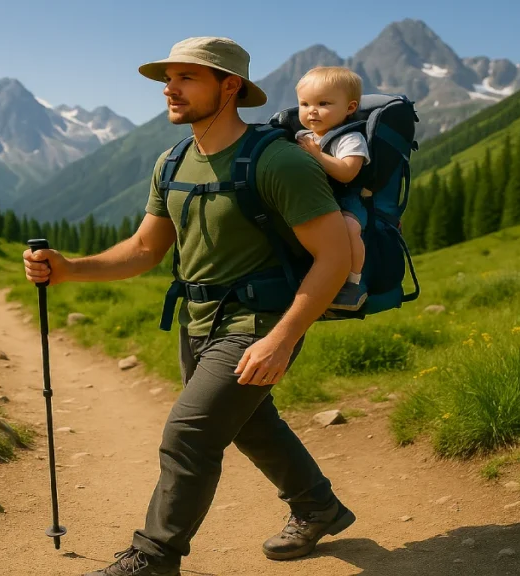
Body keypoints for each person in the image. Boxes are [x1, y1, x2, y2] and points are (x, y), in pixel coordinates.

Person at [23, 36, 357, 576]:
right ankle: (318, 506)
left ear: (231, 87)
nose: (169, 88)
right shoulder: (173, 160)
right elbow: (144, 250)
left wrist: (283, 336)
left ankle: (154, 558)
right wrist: (70, 268)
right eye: (167, 78)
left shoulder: (278, 162)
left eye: (187, 77)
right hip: (198, 319)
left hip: (261, 318)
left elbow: (335, 257)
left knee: (190, 433)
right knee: (247, 422)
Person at [294, 66, 370, 311]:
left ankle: (352, 282)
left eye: (323, 103)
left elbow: (348, 171)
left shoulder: (350, 138)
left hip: (347, 202)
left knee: (348, 229)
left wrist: (318, 155)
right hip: (315, 201)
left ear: (349, 108)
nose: (312, 111)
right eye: (304, 104)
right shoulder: (301, 136)